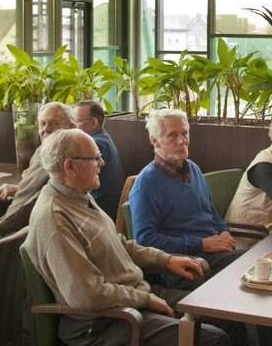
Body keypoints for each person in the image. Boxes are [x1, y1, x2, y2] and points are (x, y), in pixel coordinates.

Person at [23, 128, 230, 346]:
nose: (102, 163)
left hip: (133, 299)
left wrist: (167, 260)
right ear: (70, 166)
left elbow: (120, 245)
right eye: (95, 158)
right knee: (213, 339)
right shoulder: (55, 218)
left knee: (221, 311)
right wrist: (145, 299)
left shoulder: (79, 197)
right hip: (104, 323)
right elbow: (87, 295)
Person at [129, 109, 243, 287]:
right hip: (179, 262)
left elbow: (210, 210)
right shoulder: (146, 184)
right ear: (154, 141)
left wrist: (223, 230)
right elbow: (145, 240)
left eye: (185, 133)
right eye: (172, 135)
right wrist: (201, 244)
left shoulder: (193, 168)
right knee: (233, 281)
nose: (182, 141)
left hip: (213, 251)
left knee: (253, 265)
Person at [0, 102, 75, 241]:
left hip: (17, 236)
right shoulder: (42, 151)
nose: (46, 129)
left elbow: (39, 202)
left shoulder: (66, 160)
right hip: (9, 227)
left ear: (71, 127)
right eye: (42, 123)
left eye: (54, 123)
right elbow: (38, 190)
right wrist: (19, 188)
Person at [73, 100, 125, 218]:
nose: (72, 126)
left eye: (76, 121)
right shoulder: (103, 138)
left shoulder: (94, 144)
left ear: (94, 122)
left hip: (101, 208)